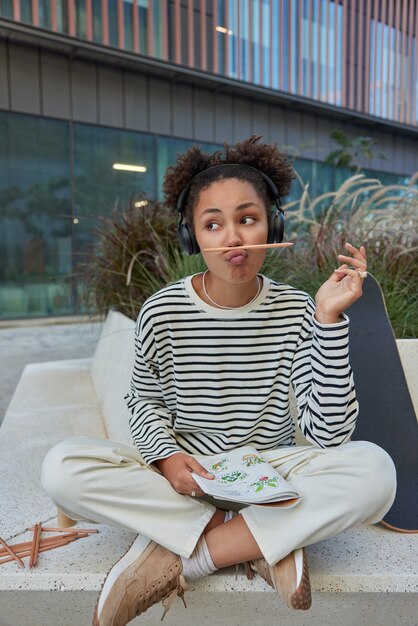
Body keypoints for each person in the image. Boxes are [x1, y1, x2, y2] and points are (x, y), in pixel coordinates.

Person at [41, 135, 396, 626]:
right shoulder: (162, 310)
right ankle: (261, 541)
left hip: (271, 471)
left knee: (376, 472)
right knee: (61, 467)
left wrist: (328, 322)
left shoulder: (298, 310)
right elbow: (144, 400)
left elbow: (328, 436)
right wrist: (165, 458)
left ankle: (186, 556)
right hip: (187, 474)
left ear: (274, 224)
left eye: (248, 219)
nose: (233, 238)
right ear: (192, 237)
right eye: (213, 225)